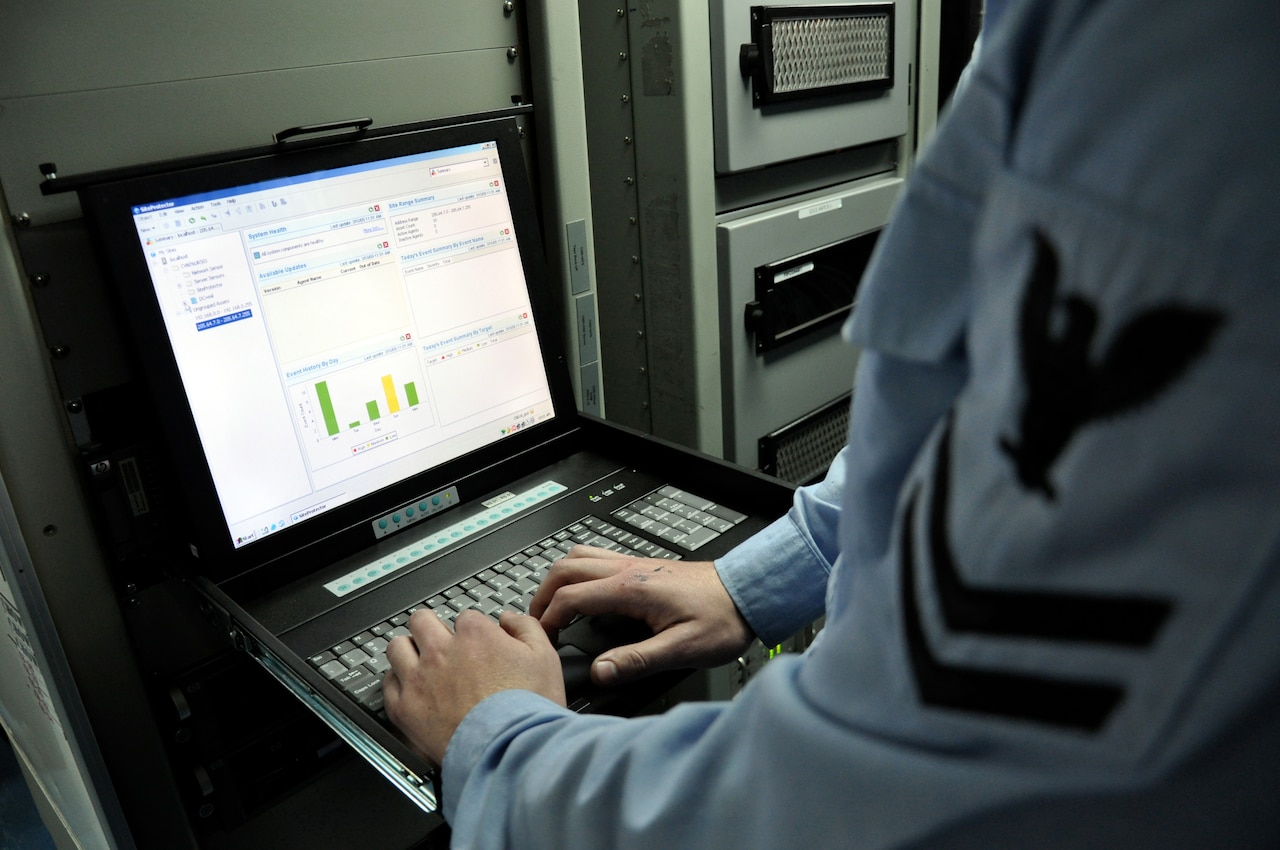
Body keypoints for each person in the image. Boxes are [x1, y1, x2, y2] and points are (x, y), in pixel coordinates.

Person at [383, 0, 1280, 846]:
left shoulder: (1186, 59)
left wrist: (498, 745)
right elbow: (978, 411)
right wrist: (766, 575)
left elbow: (894, 792)